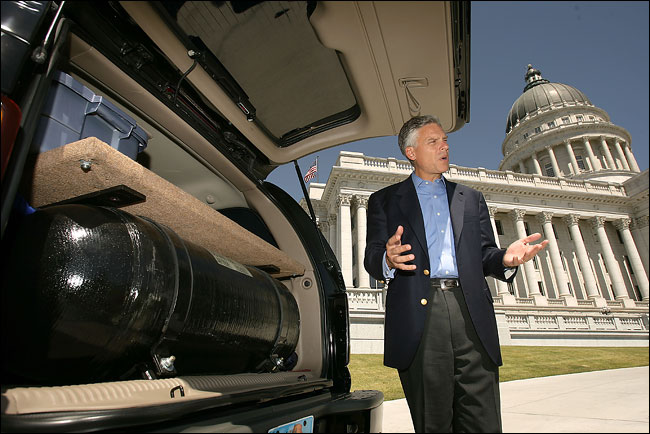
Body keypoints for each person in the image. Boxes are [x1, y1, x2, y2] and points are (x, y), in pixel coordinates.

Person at [364, 115, 548, 433]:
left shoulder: (470, 199)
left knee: (483, 420)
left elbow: (485, 256)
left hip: (471, 311)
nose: (444, 146)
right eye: (433, 141)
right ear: (411, 152)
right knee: (433, 422)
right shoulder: (384, 201)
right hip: (420, 315)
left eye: (445, 140)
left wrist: (506, 257)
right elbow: (371, 257)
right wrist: (387, 259)